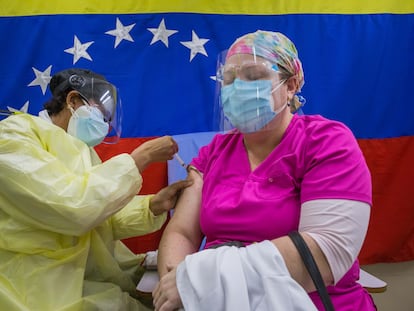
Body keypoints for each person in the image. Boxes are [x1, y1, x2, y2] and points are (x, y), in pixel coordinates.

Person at [153, 30, 376, 310]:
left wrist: (197, 280)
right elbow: (183, 232)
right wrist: (176, 284)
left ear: (291, 85)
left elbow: (325, 252)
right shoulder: (212, 153)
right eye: (229, 80)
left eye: (254, 76)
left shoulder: (326, 143)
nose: (236, 88)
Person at [0, 68, 192, 311]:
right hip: (32, 287)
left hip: (80, 280)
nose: (104, 125)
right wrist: (139, 159)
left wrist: (153, 206)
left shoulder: (83, 151)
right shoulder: (13, 137)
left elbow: (101, 218)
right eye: (100, 114)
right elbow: (72, 208)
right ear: (72, 100)